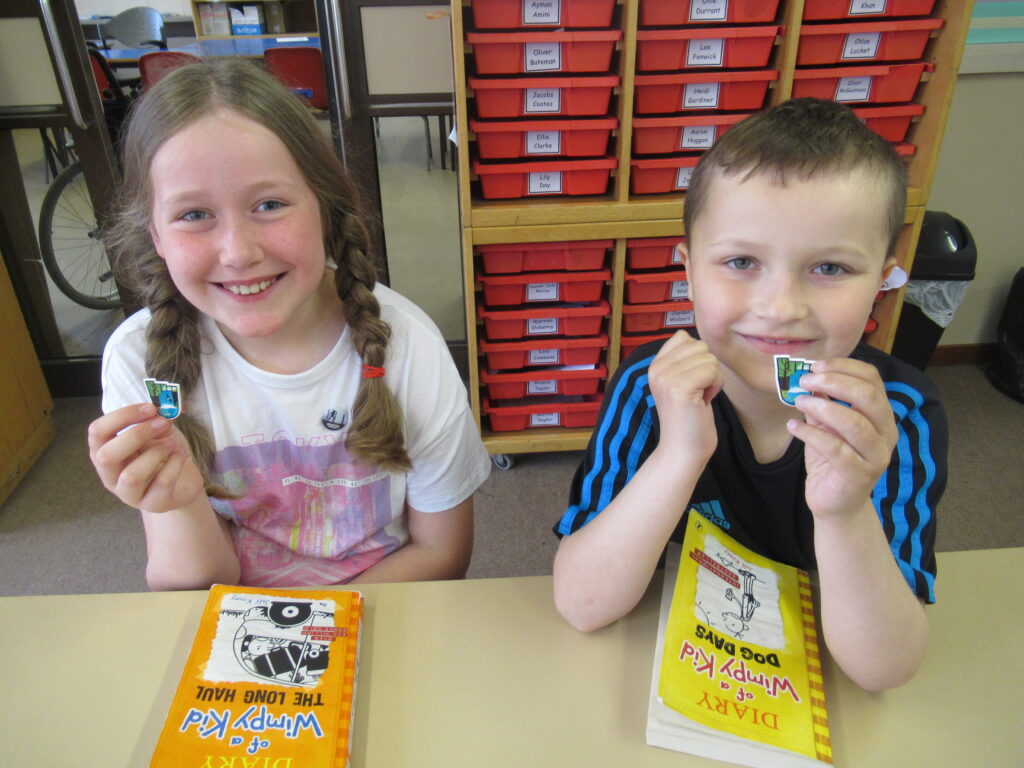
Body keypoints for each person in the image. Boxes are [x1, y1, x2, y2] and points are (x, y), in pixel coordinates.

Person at [552, 98, 947, 691]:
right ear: (688, 272)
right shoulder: (651, 385)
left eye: (831, 268)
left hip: (816, 667)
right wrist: (679, 455)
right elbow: (582, 605)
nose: (780, 307)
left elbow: (882, 670)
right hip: (675, 651)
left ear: (883, 281)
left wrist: (845, 509)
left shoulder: (895, 412)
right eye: (741, 261)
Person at [88, 59, 490, 591]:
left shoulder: (408, 345)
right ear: (155, 236)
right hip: (238, 621)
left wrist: (312, 625)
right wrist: (179, 503)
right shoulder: (139, 360)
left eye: (270, 204)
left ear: (324, 207)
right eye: (194, 215)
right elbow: (187, 590)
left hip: (385, 608)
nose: (238, 252)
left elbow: (444, 555)